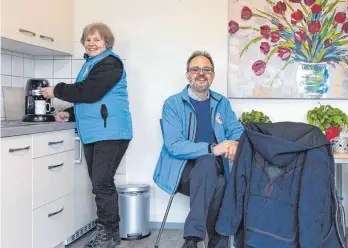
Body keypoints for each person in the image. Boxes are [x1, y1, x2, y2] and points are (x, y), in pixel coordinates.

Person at [41, 22, 133, 248]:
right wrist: (69, 113)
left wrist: (57, 90)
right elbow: (90, 99)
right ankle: (110, 234)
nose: (92, 43)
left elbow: (89, 92)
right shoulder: (92, 64)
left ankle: (107, 234)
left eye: (97, 39)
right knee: (101, 183)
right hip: (97, 132)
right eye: (88, 39)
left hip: (110, 132)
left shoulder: (109, 63)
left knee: (101, 183)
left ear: (106, 42)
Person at [153, 51, 244, 248]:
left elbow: (236, 129)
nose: (201, 73)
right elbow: (174, 145)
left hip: (213, 169)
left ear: (213, 75)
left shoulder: (221, 103)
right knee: (217, 179)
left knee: (211, 166)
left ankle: (192, 239)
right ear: (187, 75)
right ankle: (215, 243)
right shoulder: (173, 104)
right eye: (195, 69)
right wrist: (213, 148)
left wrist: (235, 142)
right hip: (182, 172)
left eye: (206, 69)